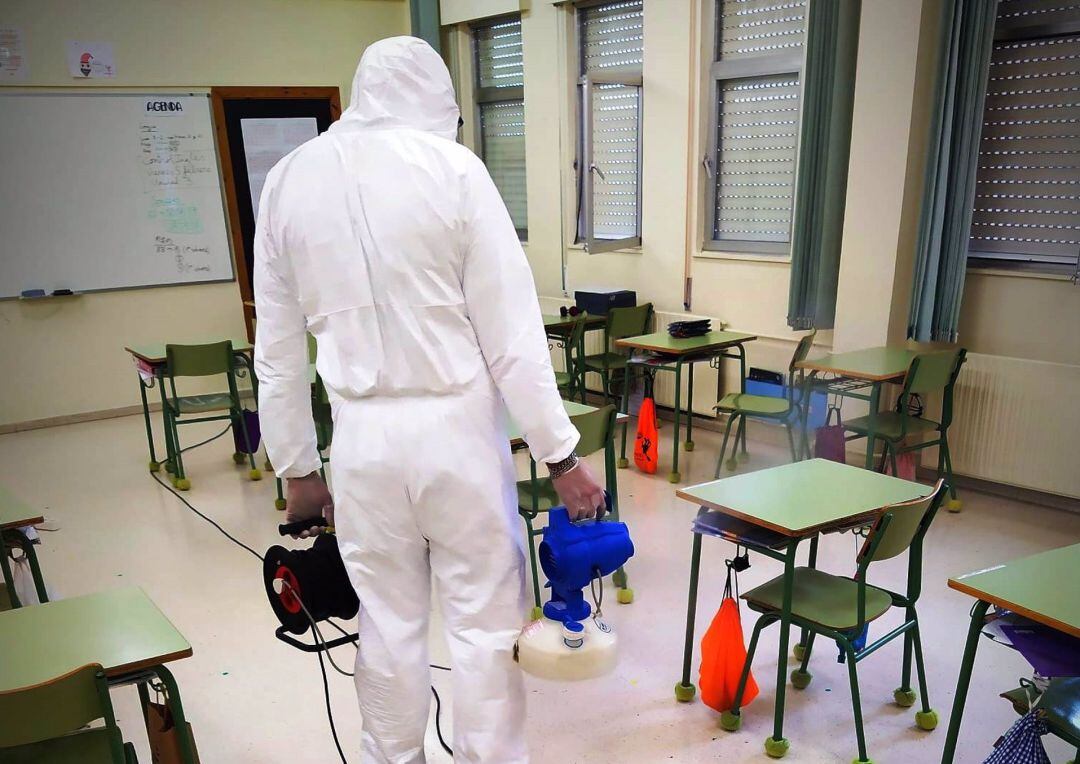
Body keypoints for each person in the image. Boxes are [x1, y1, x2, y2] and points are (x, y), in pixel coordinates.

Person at [254, 36, 607, 763]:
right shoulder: (453, 171)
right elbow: (514, 337)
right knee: (483, 632)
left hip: (360, 447)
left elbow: (280, 352)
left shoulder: (288, 181)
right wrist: (561, 454)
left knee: (387, 628)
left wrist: (297, 468)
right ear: (435, 103)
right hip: (457, 439)